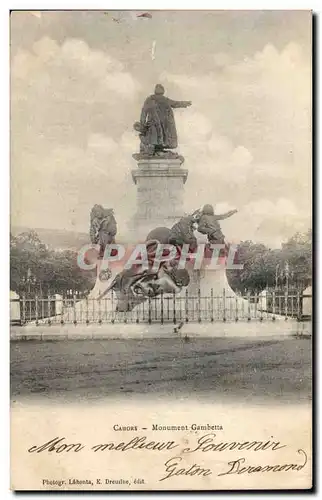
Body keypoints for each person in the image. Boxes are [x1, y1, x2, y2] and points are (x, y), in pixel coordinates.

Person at [139, 84, 191, 153]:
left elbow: (175, 103)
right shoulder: (150, 99)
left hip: (163, 124)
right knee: (156, 138)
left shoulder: (163, 99)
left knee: (162, 138)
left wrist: (185, 104)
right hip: (155, 123)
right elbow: (144, 111)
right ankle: (156, 150)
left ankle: (159, 150)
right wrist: (143, 124)